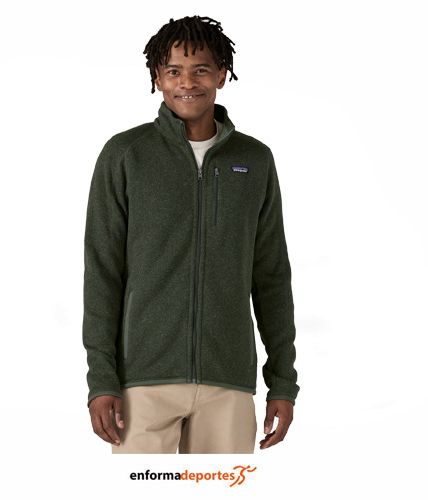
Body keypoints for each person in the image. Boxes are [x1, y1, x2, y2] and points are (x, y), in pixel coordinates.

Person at [83, 15, 300, 454]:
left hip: (228, 381)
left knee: (220, 487)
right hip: (143, 381)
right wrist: (101, 380)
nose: (187, 82)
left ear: (222, 74)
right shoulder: (126, 155)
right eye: (173, 71)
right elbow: (102, 272)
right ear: (156, 78)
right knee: (142, 487)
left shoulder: (255, 160)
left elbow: (271, 276)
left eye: (200, 69)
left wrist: (282, 382)